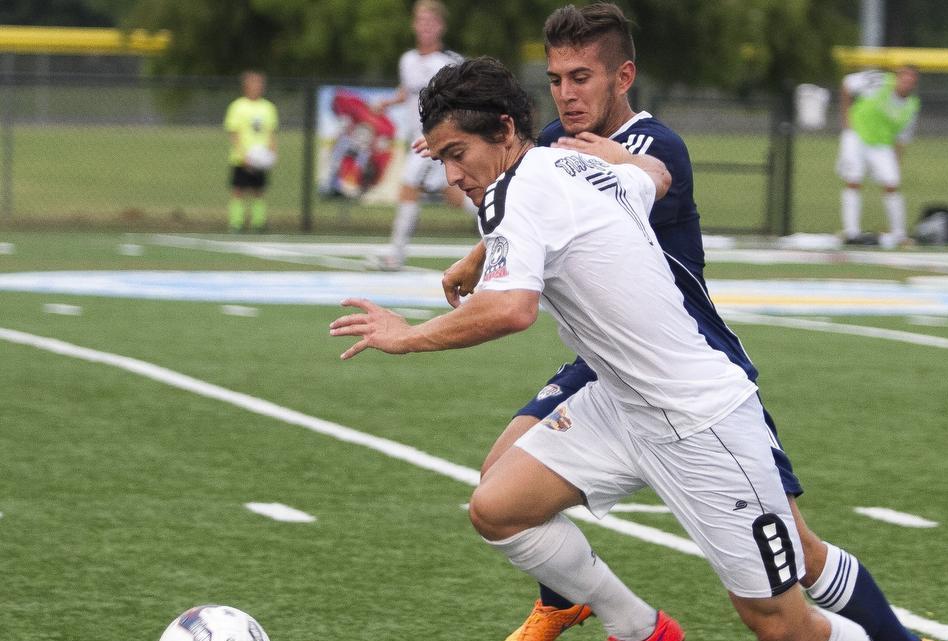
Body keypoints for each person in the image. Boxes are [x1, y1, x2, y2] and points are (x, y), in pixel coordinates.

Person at [332, 55, 873, 641]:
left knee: (780, 625)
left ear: (507, 132)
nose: (452, 177)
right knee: (498, 507)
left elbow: (512, 310)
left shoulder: (517, 190)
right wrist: (630, 159)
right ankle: (642, 630)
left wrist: (407, 336)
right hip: (621, 405)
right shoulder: (568, 161)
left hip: (699, 419)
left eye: (457, 155)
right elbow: (654, 181)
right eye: (440, 160)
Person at [438, 6, 930, 641]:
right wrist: (477, 233)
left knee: (799, 560)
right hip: (608, 362)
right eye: (556, 79)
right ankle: (590, 607)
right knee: (500, 488)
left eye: (582, 77)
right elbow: (530, 196)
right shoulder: (557, 142)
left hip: (688, 359)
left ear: (624, 76)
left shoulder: (652, 143)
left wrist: (484, 249)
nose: (566, 93)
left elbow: (610, 190)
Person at [369, 0, 478, 270]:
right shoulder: (407, 60)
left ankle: (396, 254)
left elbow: (465, 98)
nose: (426, 27)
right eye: (421, 21)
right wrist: (389, 102)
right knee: (454, 197)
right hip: (417, 138)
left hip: (435, 140)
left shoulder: (449, 62)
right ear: (414, 24)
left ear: (441, 26)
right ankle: (504, 220)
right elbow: (408, 92)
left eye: (432, 21)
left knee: (408, 186)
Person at [835, 65, 920, 246]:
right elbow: (847, 84)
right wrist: (846, 120)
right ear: (897, 78)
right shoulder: (880, 81)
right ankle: (851, 232)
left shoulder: (911, 106)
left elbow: (902, 138)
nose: (906, 84)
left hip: (881, 144)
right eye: (903, 79)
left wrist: (897, 160)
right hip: (857, 134)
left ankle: (899, 234)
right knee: (853, 179)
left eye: (910, 81)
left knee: (892, 182)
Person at [224, 70, 279, 233]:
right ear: (246, 86)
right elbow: (233, 132)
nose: (258, 87)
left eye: (260, 84)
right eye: (254, 83)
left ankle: (258, 223)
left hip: (260, 157)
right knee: (238, 190)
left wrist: (272, 152)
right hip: (242, 157)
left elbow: (271, 132)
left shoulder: (268, 107)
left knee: (259, 191)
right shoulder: (238, 106)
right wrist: (243, 155)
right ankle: (236, 223)